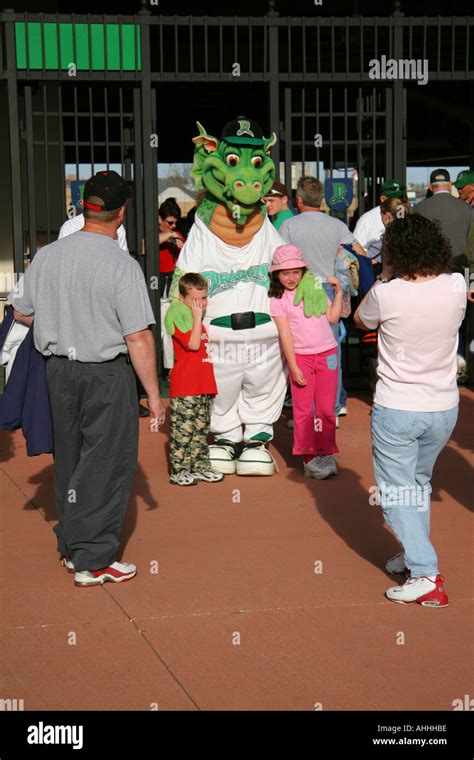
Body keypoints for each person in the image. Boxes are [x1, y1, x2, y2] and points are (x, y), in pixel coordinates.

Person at [8, 170, 165, 588]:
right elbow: (137, 336)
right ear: (122, 212)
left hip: (57, 370)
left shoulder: (48, 255)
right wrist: (154, 393)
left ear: (84, 206)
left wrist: (60, 318)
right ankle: (93, 560)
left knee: (72, 459)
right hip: (104, 373)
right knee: (107, 462)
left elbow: (20, 309)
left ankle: (72, 545)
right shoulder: (121, 263)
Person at [354, 215, 466, 607]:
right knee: (416, 484)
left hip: (398, 407)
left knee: (398, 491)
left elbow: (361, 320)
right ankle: (412, 553)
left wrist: (384, 274)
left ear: (394, 252)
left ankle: (425, 573)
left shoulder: (387, 293)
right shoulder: (456, 285)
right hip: (443, 407)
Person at [280, 176, 366, 420]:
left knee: (303, 351)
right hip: (330, 289)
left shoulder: (290, 226)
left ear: (298, 199)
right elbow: (359, 252)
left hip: (300, 291)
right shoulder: (336, 225)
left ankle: (309, 410)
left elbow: (279, 256)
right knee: (331, 352)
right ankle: (334, 404)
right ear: (321, 199)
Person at [269, 245, 342, 480]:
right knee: (302, 411)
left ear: (302, 270)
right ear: (276, 275)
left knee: (326, 410)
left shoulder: (315, 289)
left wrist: (339, 293)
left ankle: (326, 452)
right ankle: (309, 458)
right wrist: (294, 365)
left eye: (295, 272)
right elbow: (285, 334)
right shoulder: (277, 299)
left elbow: (333, 318)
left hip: (328, 354)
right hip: (301, 357)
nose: (291, 278)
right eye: (285, 273)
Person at [169, 273, 223, 486]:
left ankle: (199, 465)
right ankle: (178, 470)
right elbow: (192, 345)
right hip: (185, 387)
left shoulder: (196, 320)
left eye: (203, 298)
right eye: (195, 299)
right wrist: (197, 316)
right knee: (183, 432)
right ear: (182, 298)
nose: (200, 304)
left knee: (200, 431)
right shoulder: (179, 316)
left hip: (202, 385)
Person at [414, 169, 474, 268]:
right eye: (457, 187)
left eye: (460, 187)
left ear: (430, 186)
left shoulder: (417, 209)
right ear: (450, 185)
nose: (458, 190)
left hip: (429, 270)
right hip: (461, 269)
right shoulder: (467, 209)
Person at [354, 180, 407, 253]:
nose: (399, 201)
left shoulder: (407, 215)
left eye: (401, 197)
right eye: (394, 199)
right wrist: (373, 262)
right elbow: (356, 248)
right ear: (383, 199)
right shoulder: (368, 219)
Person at [159, 201, 185, 299]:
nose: (173, 225)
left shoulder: (177, 234)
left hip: (173, 282)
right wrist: (170, 235)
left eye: (175, 222)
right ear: (160, 219)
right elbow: (151, 242)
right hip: (157, 282)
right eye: (170, 222)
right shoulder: (152, 232)